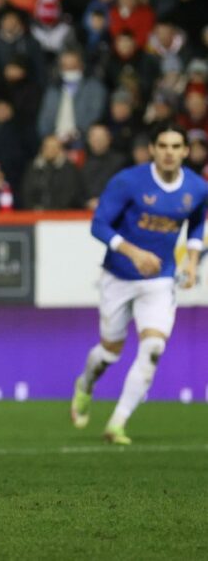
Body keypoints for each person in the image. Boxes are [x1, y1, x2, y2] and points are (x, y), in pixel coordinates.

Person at [70, 122, 207, 445]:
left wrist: (190, 257)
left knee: (154, 347)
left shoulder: (197, 188)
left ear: (186, 151)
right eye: (163, 146)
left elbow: (199, 219)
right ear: (152, 150)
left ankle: (117, 424)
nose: (169, 153)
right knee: (109, 352)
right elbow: (98, 225)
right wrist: (133, 252)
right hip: (118, 276)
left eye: (176, 147)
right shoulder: (128, 182)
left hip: (160, 280)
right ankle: (85, 385)